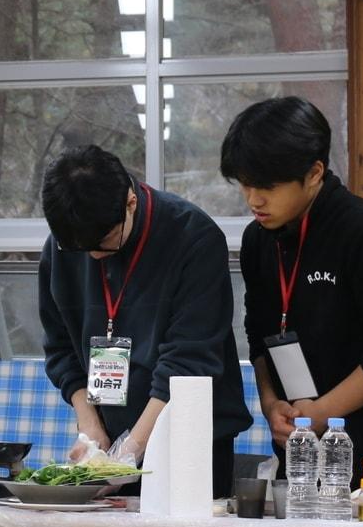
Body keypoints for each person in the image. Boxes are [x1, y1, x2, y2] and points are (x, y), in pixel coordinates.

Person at [221, 96, 363, 484]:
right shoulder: (258, 240)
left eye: (267, 186)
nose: (254, 200)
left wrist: (323, 413)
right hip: (298, 461)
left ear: (315, 172)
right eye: (246, 186)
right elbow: (259, 336)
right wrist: (271, 406)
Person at [39, 145, 252, 498]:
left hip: (189, 442)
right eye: (80, 249)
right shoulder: (67, 242)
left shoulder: (193, 238)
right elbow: (59, 346)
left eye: (104, 244)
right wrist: (90, 427)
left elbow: (188, 362)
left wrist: (131, 452)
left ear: (130, 202)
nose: (93, 255)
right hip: (113, 441)